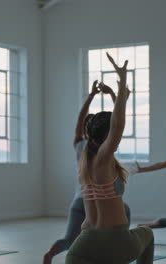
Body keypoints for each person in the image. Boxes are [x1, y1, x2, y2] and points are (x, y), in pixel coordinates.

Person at [65, 53, 154, 264]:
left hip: (83, 245)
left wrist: (120, 96)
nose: (118, 137)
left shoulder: (84, 158)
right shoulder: (104, 158)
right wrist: (122, 81)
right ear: (107, 137)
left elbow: (112, 123)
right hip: (115, 241)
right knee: (147, 233)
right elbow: (117, 124)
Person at [43, 81, 131, 264]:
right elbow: (118, 121)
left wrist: (91, 96)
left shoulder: (80, 146)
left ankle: (49, 255)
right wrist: (114, 94)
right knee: (124, 213)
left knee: (70, 240)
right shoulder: (104, 151)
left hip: (79, 201)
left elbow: (82, 120)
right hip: (97, 201)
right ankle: (119, 247)